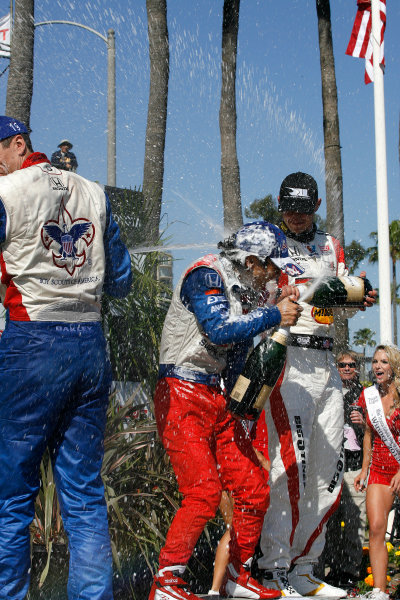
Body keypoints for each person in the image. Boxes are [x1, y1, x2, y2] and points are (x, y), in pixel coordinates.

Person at [0, 116, 132, 600]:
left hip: (32, 343)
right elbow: (121, 281)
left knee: (11, 497)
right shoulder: (94, 192)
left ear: (18, 144)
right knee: (82, 493)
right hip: (90, 346)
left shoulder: (9, 191)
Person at [149, 221, 304, 600]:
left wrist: (273, 304)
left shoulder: (244, 284)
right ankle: (166, 583)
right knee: (203, 492)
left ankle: (237, 577)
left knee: (252, 487)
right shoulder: (205, 274)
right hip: (179, 392)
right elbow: (218, 329)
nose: (275, 274)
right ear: (252, 261)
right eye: (272, 267)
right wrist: (274, 315)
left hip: (216, 397)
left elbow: (239, 347)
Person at [257, 172, 376, 598]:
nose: (296, 217)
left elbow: (341, 301)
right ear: (279, 203)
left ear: (317, 206)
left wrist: (360, 298)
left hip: (325, 359)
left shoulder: (330, 245)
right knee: (291, 466)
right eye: (289, 209)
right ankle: (272, 570)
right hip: (288, 359)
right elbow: (254, 294)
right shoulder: (268, 241)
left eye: (305, 211)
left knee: (327, 469)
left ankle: (305, 567)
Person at [354, 345, 400, 600]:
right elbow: (369, 434)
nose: (378, 366)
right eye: (374, 361)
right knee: (376, 529)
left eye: (384, 361)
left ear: (393, 366)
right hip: (380, 471)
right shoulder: (368, 396)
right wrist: (364, 470)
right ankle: (379, 591)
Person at [209, 412, 271, 596]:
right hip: (229, 467)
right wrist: (262, 462)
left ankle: (221, 586)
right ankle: (217, 587)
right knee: (234, 530)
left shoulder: (244, 411)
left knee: (235, 530)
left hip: (227, 465)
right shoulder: (230, 409)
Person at [320, 351, 366, 590]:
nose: (347, 368)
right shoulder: (328, 390)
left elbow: (375, 432)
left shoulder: (367, 394)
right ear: (336, 367)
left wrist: (363, 423)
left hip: (355, 466)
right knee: (329, 522)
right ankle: (329, 570)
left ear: (357, 368)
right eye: (342, 365)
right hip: (330, 466)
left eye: (351, 365)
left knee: (354, 523)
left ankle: (350, 572)